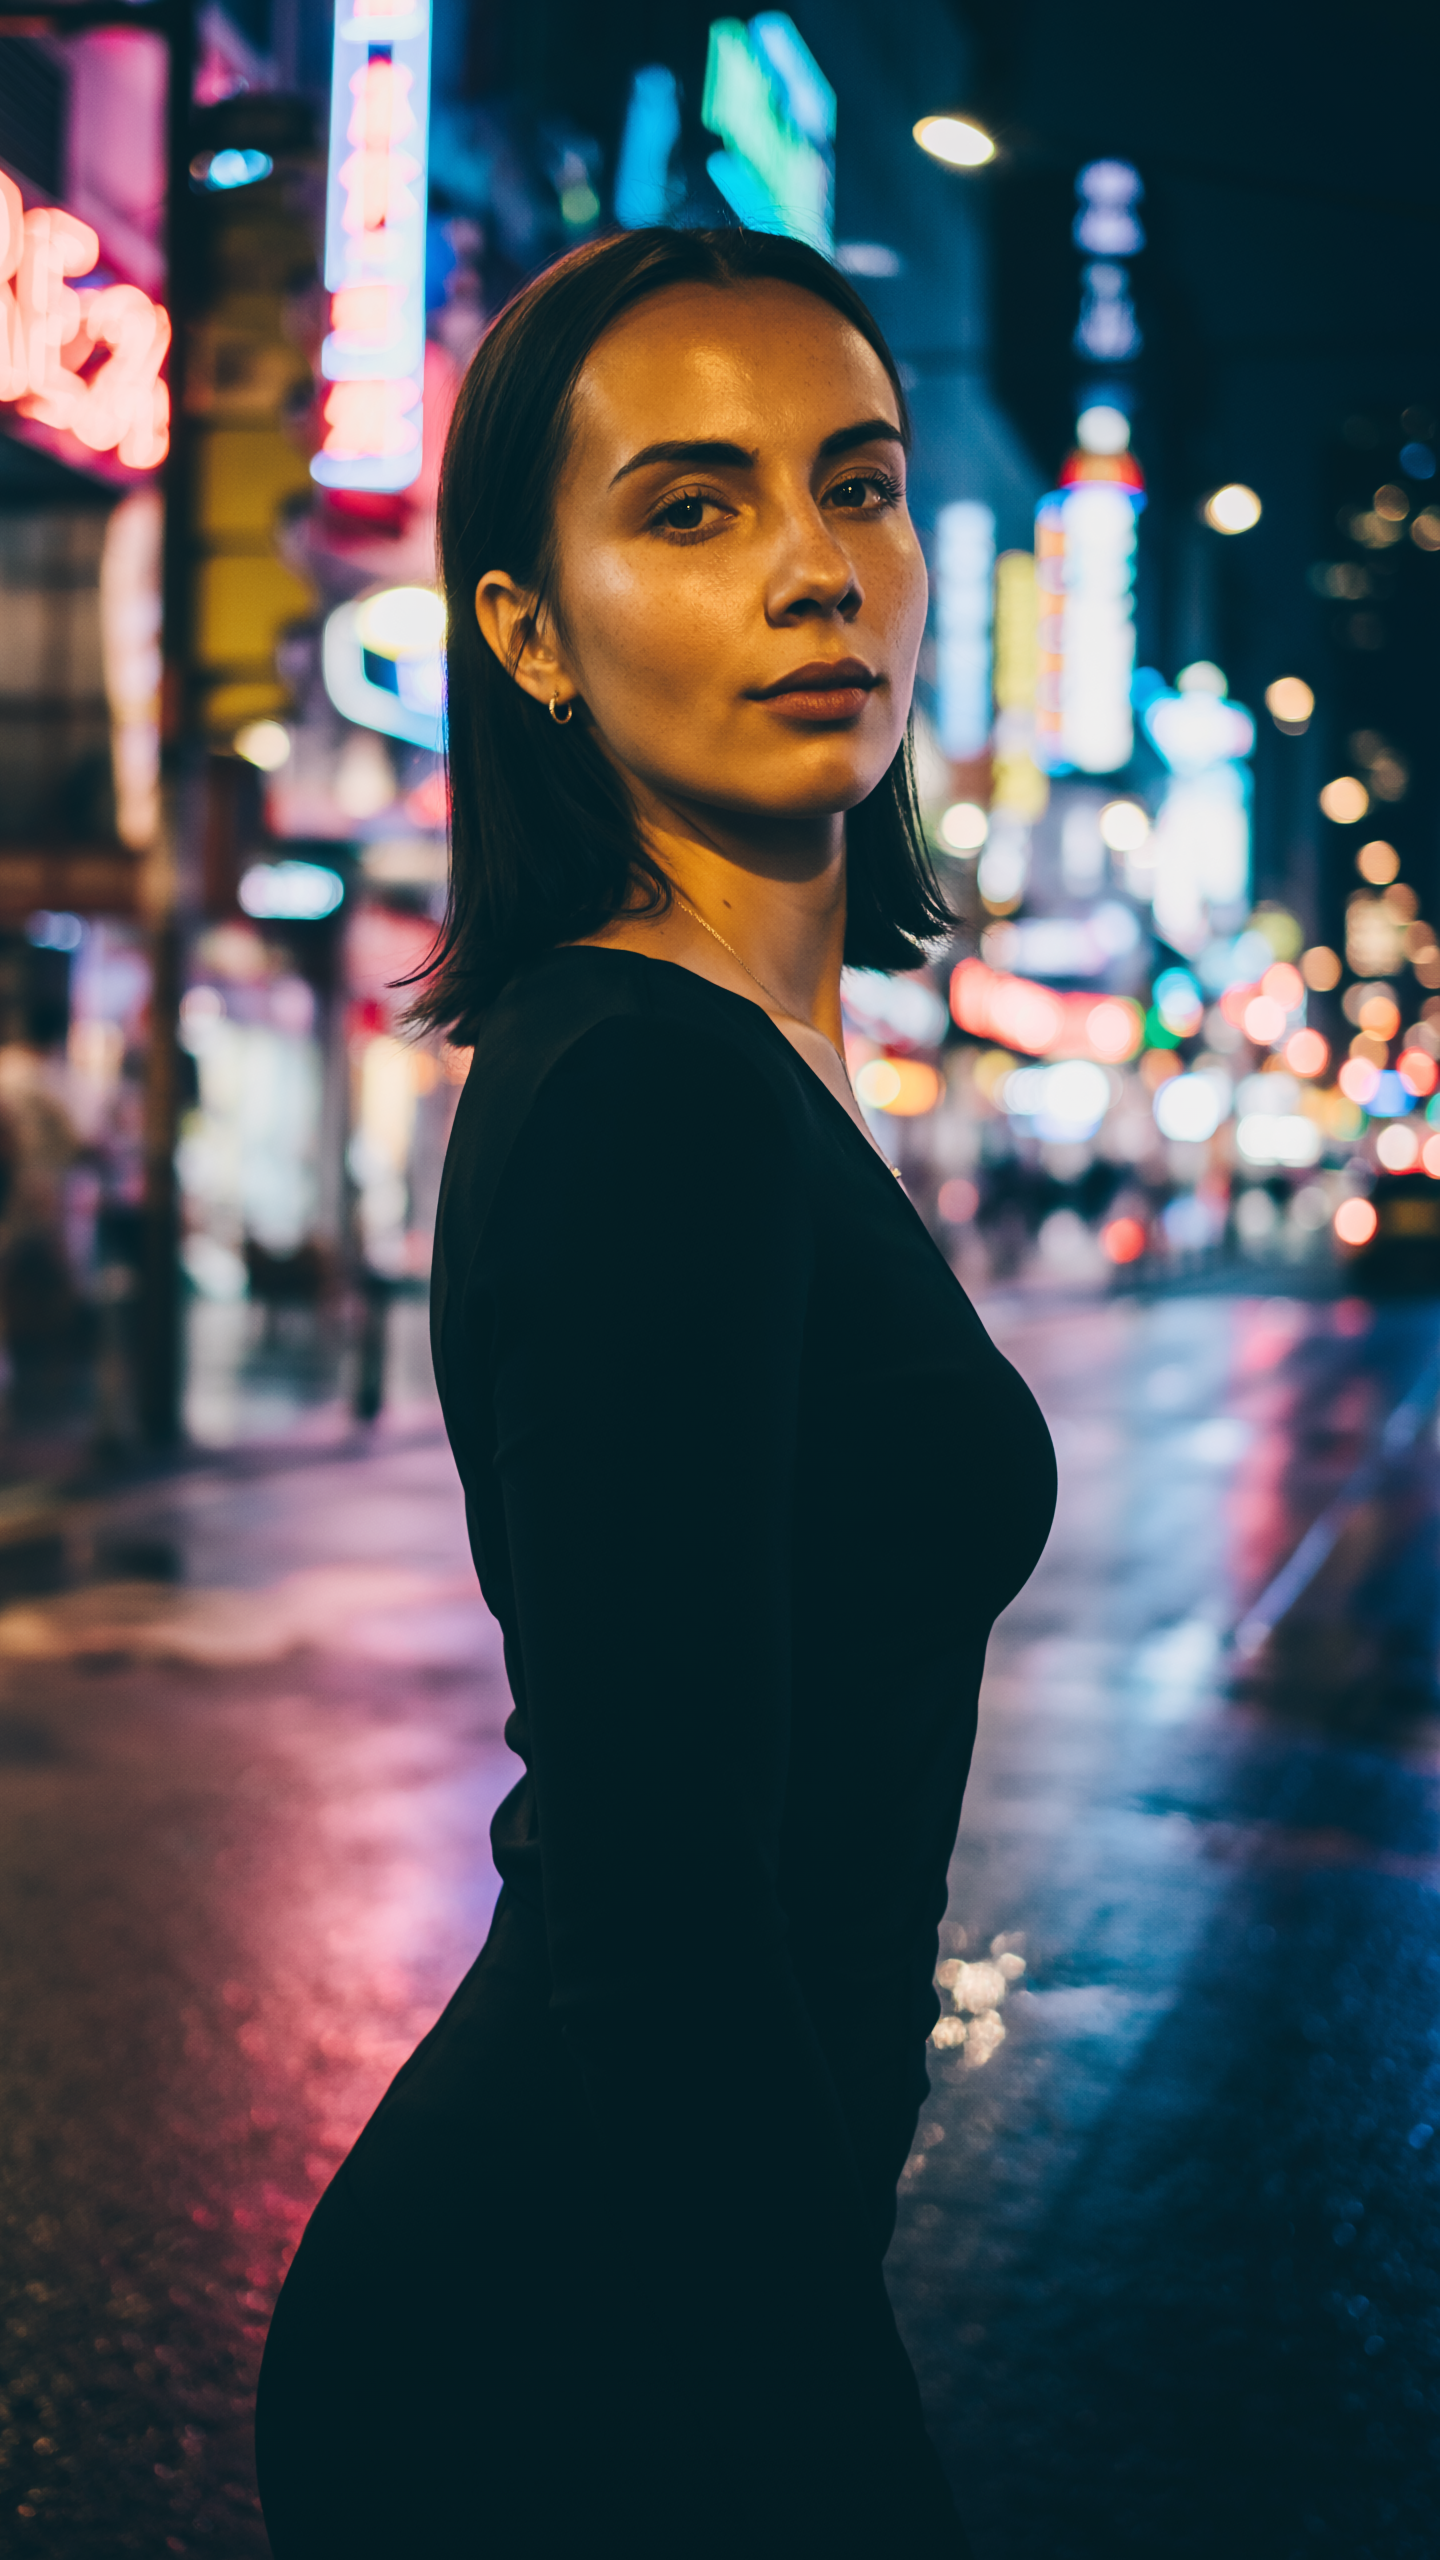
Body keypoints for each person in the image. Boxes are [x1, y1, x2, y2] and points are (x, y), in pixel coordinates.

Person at [255, 225, 1055, 2558]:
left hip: (642, 2292)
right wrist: (840, 2469)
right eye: (693, 506)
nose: (818, 567)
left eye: (857, 483)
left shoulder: (721, 1056)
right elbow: (658, 1889)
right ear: (527, 628)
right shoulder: (648, 1094)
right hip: (560, 2352)